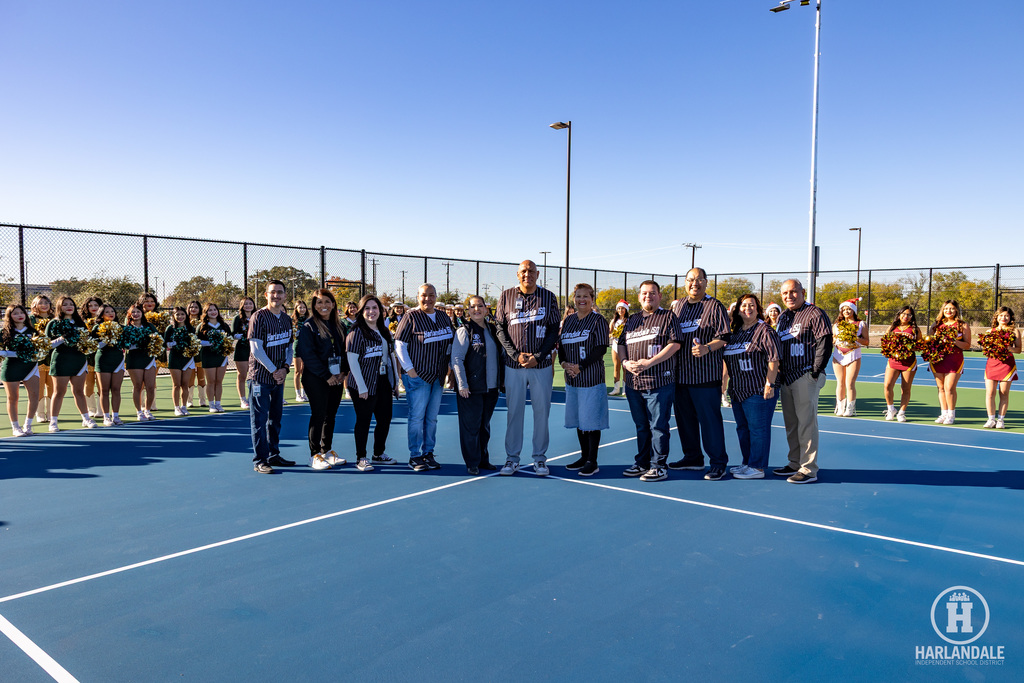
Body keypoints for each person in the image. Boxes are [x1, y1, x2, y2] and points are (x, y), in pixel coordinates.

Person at [495, 260, 560, 476]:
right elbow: (500, 329)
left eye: (531, 271)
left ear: (537, 274)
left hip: (541, 365)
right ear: (517, 274)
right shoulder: (506, 296)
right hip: (514, 365)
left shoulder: (548, 297)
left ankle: (539, 459)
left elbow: (553, 330)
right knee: (514, 412)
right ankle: (512, 459)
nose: (527, 274)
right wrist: (516, 355)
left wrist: (538, 356)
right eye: (523, 271)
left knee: (542, 413)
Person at [668, 268, 732, 481]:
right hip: (680, 377)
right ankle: (693, 457)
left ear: (706, 282)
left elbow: (724, 336)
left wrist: (707, 348)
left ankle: (718, 463)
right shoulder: (678, 306)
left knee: (710, 422)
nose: (694, 283)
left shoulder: (714, 306)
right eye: (690, 280)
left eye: (698, 280)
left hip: (705, 376)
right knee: (685, 421)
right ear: (685, 283)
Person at [618, 280, 681, 482]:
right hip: (633, 383)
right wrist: (625, 363)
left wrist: (649, 363)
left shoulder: (668, 317)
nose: (648, 296)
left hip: (658, 382)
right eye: (644, 293)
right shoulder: (631, 320)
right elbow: (620, 344)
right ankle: (642, 463)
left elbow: (675, 344)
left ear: (659, 296)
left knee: (658, 426)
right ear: (639, 297)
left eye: (652, 293)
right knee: (641, 426)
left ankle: (659, 466)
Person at [773, 279, 832, 484]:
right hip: (786, 377)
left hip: (805, 374)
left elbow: (825, 342)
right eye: (785, 293)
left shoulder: (815, 313)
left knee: (806, 423)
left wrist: (815, 371)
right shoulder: (783, 317)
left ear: (802, 292)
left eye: (793, 292)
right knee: (791, 423)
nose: (789, 296)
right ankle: (795, 461)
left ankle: (808, 468)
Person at [395, 283, 454, 471]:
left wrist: (449, 367)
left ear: (436, 297)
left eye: (431, 295)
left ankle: (428, 452)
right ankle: (415, 455)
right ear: (417, 297)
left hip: (438, 376)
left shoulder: (443, 317)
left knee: (432, 418)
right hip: (418, 376)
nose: (427, 299)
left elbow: (451, 343)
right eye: (423, 295)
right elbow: (399, 344)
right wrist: (409, 369)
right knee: (417, 417)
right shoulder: (411, 316)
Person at [722, 294, 782, 479]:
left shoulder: (765, 330)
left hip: (758, 390)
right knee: (743, 429)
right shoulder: (736, 333)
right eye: (743, 305)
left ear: (758, 309)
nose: (747, 308)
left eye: (751, 305)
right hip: (738, 390)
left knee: (758, 429)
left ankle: (757, 467)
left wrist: (769, 384)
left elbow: (774, 359)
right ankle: (747, 462)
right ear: (738, 310)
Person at [297, 289, 352, 470]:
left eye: (327, 301)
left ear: (333, 304)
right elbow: (308, 355)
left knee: (331, 415)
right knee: (319, 414)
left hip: (336, 377)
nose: (324, 305)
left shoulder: (339, 325)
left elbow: (345, 351)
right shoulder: (309, 326)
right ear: (314, 305)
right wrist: (326, 375)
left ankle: (327, 451)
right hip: (316, 378)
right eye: (319, 302)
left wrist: (343, 371)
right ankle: (314, 455)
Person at [559, 284, 609, 477]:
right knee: (580, 421)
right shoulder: (569, 320)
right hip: (572, 380)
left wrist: (580, 366)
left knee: (591, 421)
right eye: (578, 296)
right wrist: (564, 363)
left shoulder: (598, 320)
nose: (582, 300)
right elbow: (562, 346)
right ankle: (583, 456)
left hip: (591, 379)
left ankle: (592, 461)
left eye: (586, 296)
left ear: (592, 299)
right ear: (574, 299)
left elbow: (600, 348)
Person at [346, 294, 399, 472]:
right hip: (363, 383)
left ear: (380, 311)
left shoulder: (384, 331)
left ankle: (378, 453)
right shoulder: (356, 332)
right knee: (364, 421)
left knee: (385, 419)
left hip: (382, 381)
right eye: (367, 308)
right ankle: (361, 457)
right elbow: (352, 361)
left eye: (375, 308)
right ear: (361, 311)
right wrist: (362, 387)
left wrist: (395, 381)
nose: (371, 312)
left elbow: (390, 357)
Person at [451, 295, 503, 474]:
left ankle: (483, 459)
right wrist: (462, 384)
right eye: (472, 306)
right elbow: (456, 359)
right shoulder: (464, 330)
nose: (476, 309)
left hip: (491, 388)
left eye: (480, 306)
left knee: (484, 427)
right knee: (471, 428)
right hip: (471, 388)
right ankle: (472, 462)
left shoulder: (493, 330)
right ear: (468, 310)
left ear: (486, 309)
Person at [249, 280, 295, 474]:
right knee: (259, 420)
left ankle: (273, 455)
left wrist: (284, 368)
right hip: (260, 378)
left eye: (280, 292)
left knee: (275, 419)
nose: (276, 295)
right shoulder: (258, 317)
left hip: (279, 378)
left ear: (285, 295)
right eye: (272, 292)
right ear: (266, 295)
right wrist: (274, 370)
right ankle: (260, 460)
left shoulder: (286, 319)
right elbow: (256, 349)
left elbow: (289, 347)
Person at [46, 296, 97, 432]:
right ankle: (53, 422)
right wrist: (63, 338)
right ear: (59, 307)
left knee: (79, 391)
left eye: (71, 304)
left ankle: (86, 418)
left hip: (78, 360)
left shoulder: (80, 323)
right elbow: (46, 344)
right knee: (59, 392)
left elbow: (87, 341)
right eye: (65, 304)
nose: (69, 307)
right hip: (61, 360)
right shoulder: (53, 323)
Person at [1, 304, 41, 436]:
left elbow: (41, 348)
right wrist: (7, 353)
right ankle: (15, 427)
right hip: (11, 367)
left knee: (34, 395)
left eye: (21, 312)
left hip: (30, 367)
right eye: (15, 313)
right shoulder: (5, 332)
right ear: (9, 316)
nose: (19, 315)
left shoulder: (33, 331)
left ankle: (28, 425)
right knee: (13, 397)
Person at [929, 300, 971, 425]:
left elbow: (967, 345)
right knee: (941, 388)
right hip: (938, 359)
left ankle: (951, 414)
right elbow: (930, 341)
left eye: (952, 308)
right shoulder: (936, 324)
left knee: (949, 387)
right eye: (946, 308)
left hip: (954, 360)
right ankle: (944, 413)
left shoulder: (962, 325)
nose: (949, 311)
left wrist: (953, 341)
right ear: (943, 310)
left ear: (956, 310)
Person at [982, 306, 1020, 429]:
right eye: (1001, 315)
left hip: (1007, 365)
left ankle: (1000, 420)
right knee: (990, 393)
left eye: (1006, 316)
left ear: (1010, 318)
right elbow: (986, 350)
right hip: (992, 364)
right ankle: (991, 419)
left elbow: (1018, 349)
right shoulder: (989, 332)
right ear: (997, 317)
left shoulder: (1014, 331)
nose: (1004, 318)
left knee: (1003, 393)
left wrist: (1008, 348)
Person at [882, 306, 921, 423]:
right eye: (903, 314)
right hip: (893, 361)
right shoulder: (892, 328)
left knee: (905, 389)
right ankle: (891, 409)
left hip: (909, 362)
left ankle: (902, 412)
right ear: (899, 314)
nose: (906, 316)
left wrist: (909, 345)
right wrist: (892, 347)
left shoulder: (915, 329)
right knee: (887, 386)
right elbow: (885, 343)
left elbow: (920, 346)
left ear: (912, 317)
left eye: (909, 315)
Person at [831, 298, 870, 417]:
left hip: (853, 354)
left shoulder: (861, 324)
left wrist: (854, 337)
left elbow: (866, 342)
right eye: (844, 310)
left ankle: (850, 408)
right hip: (838, 355)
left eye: (849, 309)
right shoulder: (837, 325)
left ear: (854, 310)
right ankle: (840, 407)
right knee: (840, 382)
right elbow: (833, 339)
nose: (846, 312)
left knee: (850, 383)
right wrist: (835, 340)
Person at [123, 302, 158, 422]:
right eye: (133, 312)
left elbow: (158, 339)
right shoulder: (127, 328)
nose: (136, 314)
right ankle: (139, 412)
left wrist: (151, 344)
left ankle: (147, 410)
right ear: (129, 314)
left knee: (150, 386)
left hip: (149, 359)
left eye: (138, 312)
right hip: (134, 359)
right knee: (138, 386)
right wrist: (137, 345)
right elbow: (125, 345)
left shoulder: (149, 326)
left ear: (142, 313)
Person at [92, 304, 126, 426]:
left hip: (118, 360)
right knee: (104, 390)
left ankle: (115, 416)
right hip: (103, 360)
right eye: (107, 312)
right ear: (101, 315)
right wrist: (106, 340)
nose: (111, 313)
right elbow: (93, 345)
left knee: (116, 389)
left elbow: (126, 342)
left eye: (112, 311)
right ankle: (106, 417)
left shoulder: (120, 327)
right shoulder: (97, 327)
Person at [196, 303, 230, 413]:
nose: (213, 312)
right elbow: (197, 341)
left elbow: (229, 338)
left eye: (215, 309)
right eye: (210, 310)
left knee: (219, 381)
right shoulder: (202, 326)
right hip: (208, 356)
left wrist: (225, 343)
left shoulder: (223, 325)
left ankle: (218, 404)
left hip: (221, 356)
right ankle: (211, 404)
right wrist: (209, 343)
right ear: (206, 313)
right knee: (211, 381)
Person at [164, 306, 197, 416]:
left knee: (185, 384)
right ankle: (176, 407)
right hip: (175, 358)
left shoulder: (190, 328)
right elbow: (165, 343)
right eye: (177, 314)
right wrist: (171, 344)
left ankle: (184, 406)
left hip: (188, 359)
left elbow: (195, 342)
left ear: (186, 315)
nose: (180, 316)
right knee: (176, 384)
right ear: (173, 316)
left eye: (182, 314)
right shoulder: (170, 328)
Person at [28, 294, 54, 423]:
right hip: (37, 356)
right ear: (35, 305)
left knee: (52, 385)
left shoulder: (54, 319)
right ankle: (40, 413)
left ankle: (51, 412)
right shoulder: (31, 319)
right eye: (41, 303)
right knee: (39, 385)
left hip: (52, 355)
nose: (44, 305)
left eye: (46, 302)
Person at [82, 296, 104, 418]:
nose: (93, 308)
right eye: (90, 305)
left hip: (101, 355)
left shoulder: (104, 321)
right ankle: (91, 409)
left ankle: (101, 409)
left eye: (96, 305)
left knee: (102, 383)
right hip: (87, 356)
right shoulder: (82, 321)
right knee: (88, 383)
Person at [233, 297, 256, 409]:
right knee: (242, 375)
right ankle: (243, 399)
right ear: (242, 306)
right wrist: (243, 336)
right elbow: (232, 334)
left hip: (255, 349)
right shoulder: (237, 318)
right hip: (242, 349)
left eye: (250, 303)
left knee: (255, 375)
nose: (248, 306)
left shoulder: (257, 316)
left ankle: (254, 398)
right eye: (246, 304)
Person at [186, 300, 209, 408]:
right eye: (191, 307)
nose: (193, 309)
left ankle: (202, 400)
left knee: (201, 377)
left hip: (201, 352)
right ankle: (189, 400)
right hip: (189, 352)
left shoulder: (203, 321)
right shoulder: (185, 321)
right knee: (190, 377)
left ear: (200, 309)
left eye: (196, 307)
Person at [608, 300, 629, 396]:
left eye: (623, 308)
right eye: (619, 308)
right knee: (616, 367)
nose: (621, 310)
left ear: (626, 310)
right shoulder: (613, 321)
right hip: (615, 346)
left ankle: (625, 389)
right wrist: (613, 335)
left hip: (625, 346)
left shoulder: (629, 320)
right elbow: (609, 333)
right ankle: (616, 389)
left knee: (625, 367)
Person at [292, 300, 309, 402]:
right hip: (297, 346)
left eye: (304, 307)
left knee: (304, 371)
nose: (302, 309)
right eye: (300, 307)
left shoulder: (309, 320)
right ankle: (298, 394)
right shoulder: (293, 320)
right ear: (296, 309)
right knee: (297, 371)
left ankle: (304, 393)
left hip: (306, 347)